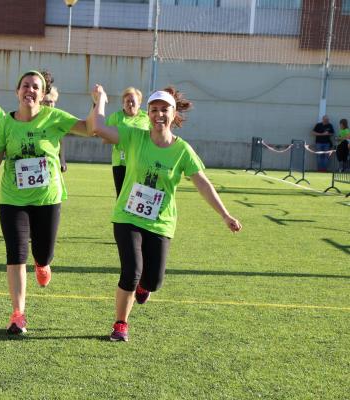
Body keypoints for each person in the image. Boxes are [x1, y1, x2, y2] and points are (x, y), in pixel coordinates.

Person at [90, 84, 242, 342]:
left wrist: (225, 215)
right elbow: (99, 128)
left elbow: (202, 183)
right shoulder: (134, 135)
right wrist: (100, 101)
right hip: (128, 216)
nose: (159, 114)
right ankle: (120, 324)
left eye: (164, 110)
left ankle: (144, 287)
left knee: (153, 281)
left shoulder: (182, 150)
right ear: (147, 114)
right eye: (154, 110)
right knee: (132, 270)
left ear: (174, 115)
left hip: (160, 222)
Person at [0, 70, 92, 335]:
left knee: (43, 252)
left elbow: (89, 128)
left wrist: (98, 103)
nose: (30, 90)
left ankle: (43, 263)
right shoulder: (5, 124)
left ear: (43, 94)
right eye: (26, 85)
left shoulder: (54, 117)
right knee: (16, 254)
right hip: (13, 199)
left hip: (48, 198)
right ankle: (18, 314)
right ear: (17, 91)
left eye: (36, 87)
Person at [106, 87, 150, 196]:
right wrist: (121, 139)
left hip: (141, 162)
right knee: (121, 195)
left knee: (140, 196)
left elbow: (154, 136)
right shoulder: (116, 117)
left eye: (133, 101)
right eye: (127, 101)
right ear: (123, 103)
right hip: (121, 163)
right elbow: (104, 137)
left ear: (139, 103)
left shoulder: (147, 117)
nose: (130, 104)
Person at [42, 86, 68, 173]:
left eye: (51, 102)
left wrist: (62, 160)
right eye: (46, 102)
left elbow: (61, 141)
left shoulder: (57, 119)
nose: (49, 104)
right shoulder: (32, 116)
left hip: (51, 161)